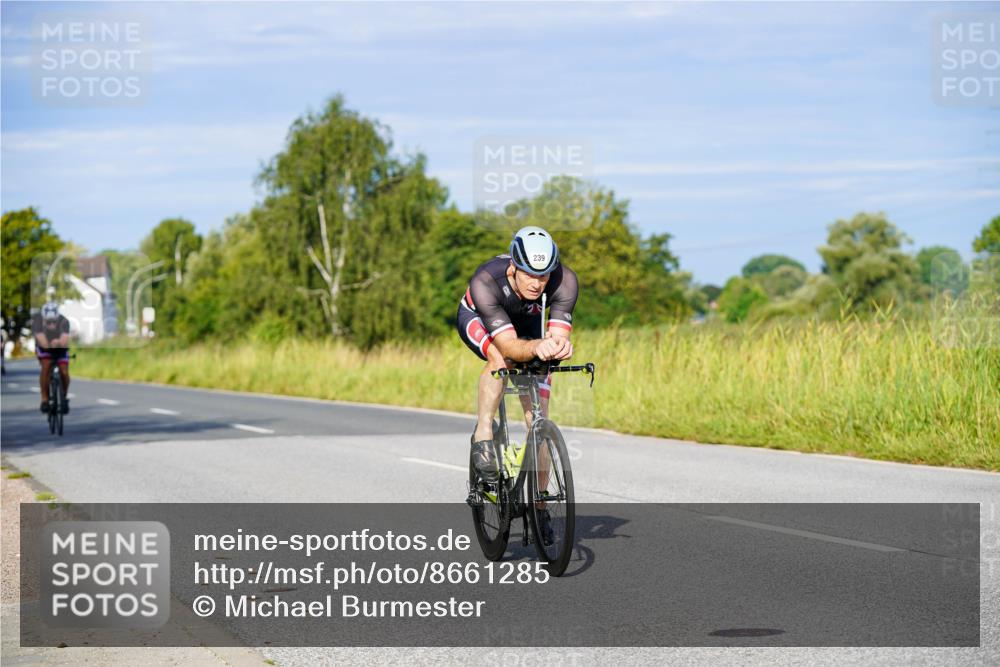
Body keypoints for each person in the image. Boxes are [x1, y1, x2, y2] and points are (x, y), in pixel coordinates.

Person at [456, 226, 578, 541]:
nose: (537, 283)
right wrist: (534, 348)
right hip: (482, 320)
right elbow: (511, 348)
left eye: (544, 276)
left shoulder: (564, 281)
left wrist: (557, 348)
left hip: (528, 326)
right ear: (514, 266)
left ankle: (539, 507)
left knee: (538, 420)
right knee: (501, 360)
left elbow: (556, 336)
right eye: (529, 275)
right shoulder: (486, 281)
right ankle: (484, 433)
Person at [33, 302, 71, 414]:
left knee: (64, 371)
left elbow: (64, 341)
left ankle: (63, 396)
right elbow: (43, 342)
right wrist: (51, 343)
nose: (51, 324)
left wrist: (58, 342)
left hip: (60, 349)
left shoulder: (64, 321)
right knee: (46, 365)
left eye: (53, 321)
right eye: (48, 322)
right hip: (44, 348)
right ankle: (44, 399)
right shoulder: (37, 321)